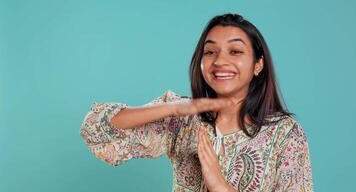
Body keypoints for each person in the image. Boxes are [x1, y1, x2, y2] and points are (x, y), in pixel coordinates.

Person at [79, 13, 314, 192]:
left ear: (258, 64)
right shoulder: (185, 120)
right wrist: (174, 108)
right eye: (210, 52)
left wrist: (220, 186)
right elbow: (97, 130)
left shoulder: (284, 134)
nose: (220, 61)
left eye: (235, 52)